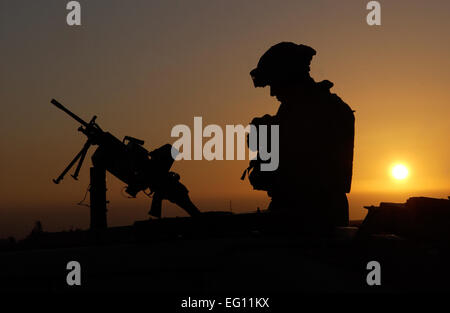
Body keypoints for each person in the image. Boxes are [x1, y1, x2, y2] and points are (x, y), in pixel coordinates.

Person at [245, 42, 354, 228]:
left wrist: (264, 131)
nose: (272, 93)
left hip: (309, 217)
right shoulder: (309, 108)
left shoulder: (318, 110)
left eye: (275, 84)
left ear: (289, 78)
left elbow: (296, 166)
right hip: (306, 212)